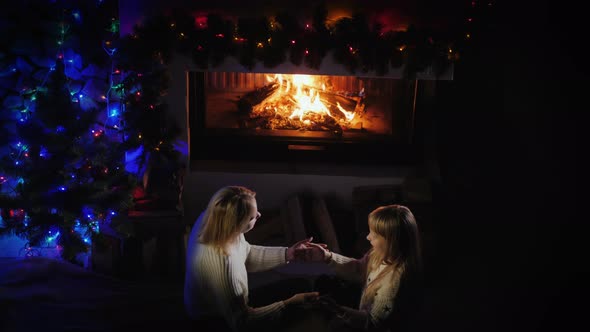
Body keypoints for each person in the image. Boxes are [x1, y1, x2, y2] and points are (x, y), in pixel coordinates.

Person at [184, 186, 320, 332]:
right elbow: (243, 322)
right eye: (252, 217)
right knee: (301, 310)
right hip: (214, 321)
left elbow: (246, 253)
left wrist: (289, 253)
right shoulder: (225, 265)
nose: (259, 215)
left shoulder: (216, 220)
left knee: (301, 285)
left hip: (230, 307)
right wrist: (288, 304)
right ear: (237, 223)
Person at [305, 204, 423, 332]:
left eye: (374, 235)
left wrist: (339, 311)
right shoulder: (378, 253)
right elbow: (359, 269)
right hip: (365, 305)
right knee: (324, 283)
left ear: (390, 242)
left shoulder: (393, 282)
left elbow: (372, 322)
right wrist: (327, 257)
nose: (368, 237)